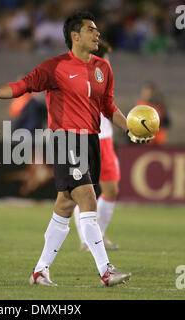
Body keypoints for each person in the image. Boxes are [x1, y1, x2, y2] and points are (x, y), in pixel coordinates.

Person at [0, 11, 152, 287]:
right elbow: (24, 85)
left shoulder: (104, 68)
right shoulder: (55, 67)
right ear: (75, 36)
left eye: (97, 30)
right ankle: (106, 270)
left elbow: (108, 108)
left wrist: (129, 128)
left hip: (90, 141)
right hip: (67, 140)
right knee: (88, 199)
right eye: (91, 30)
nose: (97, 34)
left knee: (65, 205)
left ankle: (40, 271)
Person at [73, 40, 120, 251]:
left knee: (111, 190)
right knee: (82, 193)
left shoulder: (103, 76)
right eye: (106, 58)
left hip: (106, 139)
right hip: (86, 139)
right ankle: (86, 239)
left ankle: (97, 235)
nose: (109, 63)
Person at [136, 81, 171, 146]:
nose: (146, 94)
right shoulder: (138, 107)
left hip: (159, 141)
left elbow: (167, 123)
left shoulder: (160, 107)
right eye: (145, 92)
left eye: (149, 92)